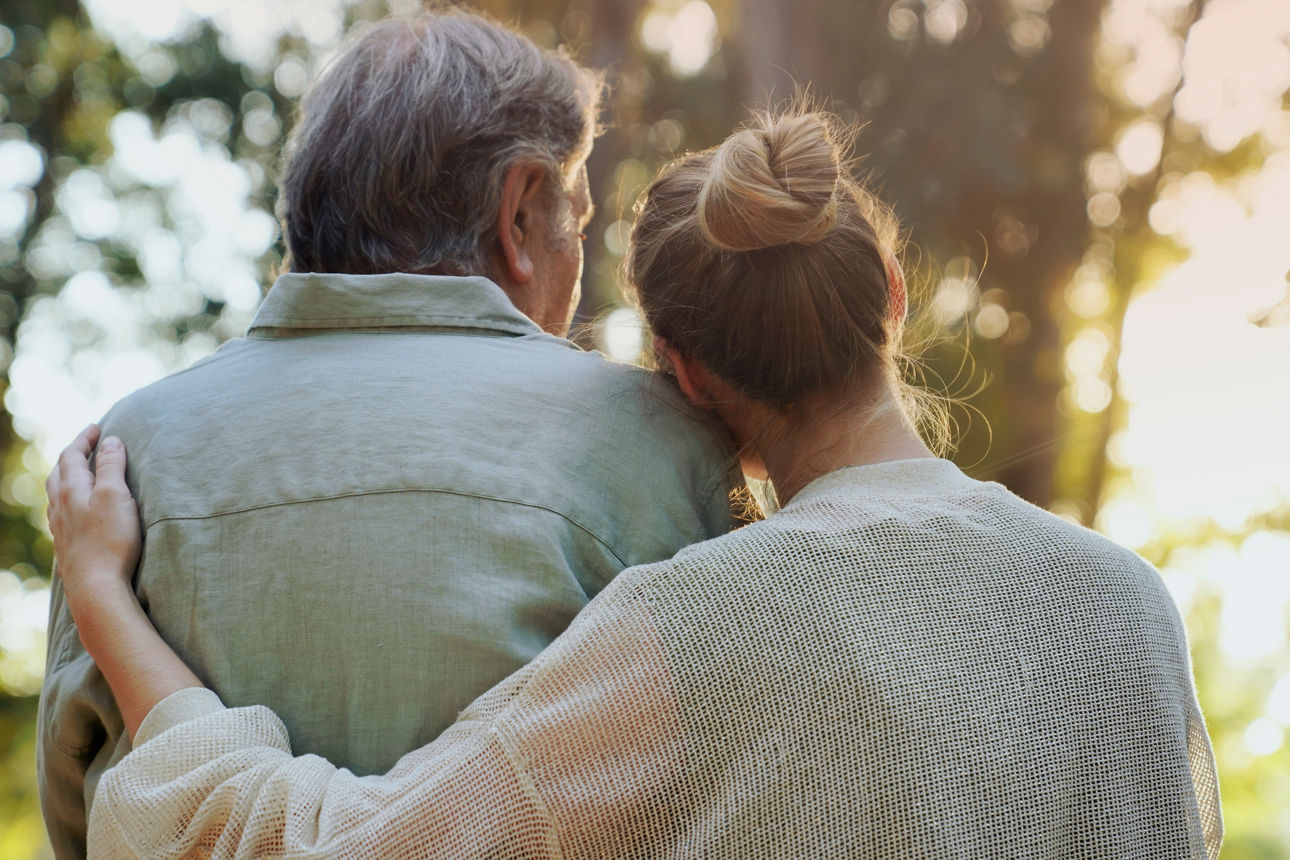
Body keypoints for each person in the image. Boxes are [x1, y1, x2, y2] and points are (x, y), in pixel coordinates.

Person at [47, 109, 1222, 858]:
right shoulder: (1126, 607)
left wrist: (105, 591)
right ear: (894, 295)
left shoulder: (686, 630)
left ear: (683, 377)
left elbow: (329, 848)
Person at [37, 10, 741, 858]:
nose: (576, 255)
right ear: (519, 214)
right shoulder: (666, 448)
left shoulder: (120, 460)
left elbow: (80, 810)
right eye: (579, 224)